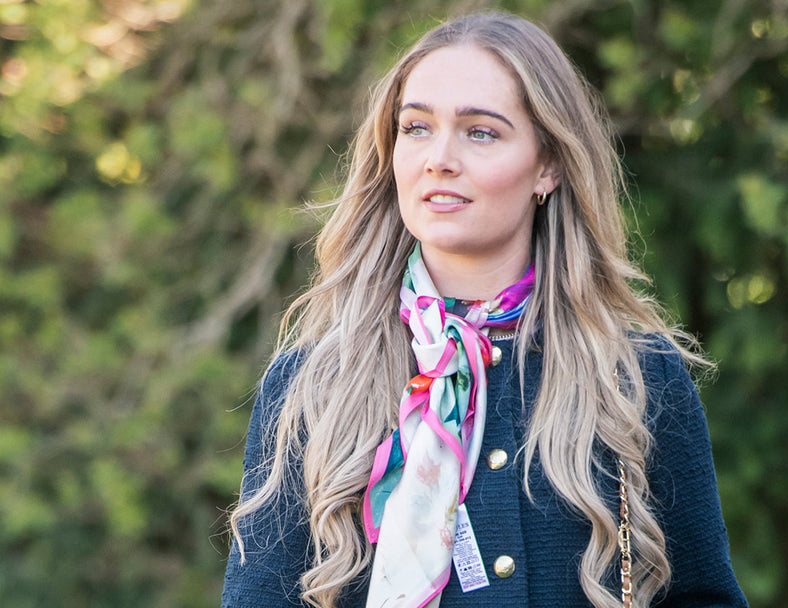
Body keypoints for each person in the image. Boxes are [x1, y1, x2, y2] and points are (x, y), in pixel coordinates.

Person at [222, 11, 747, 608]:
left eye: (480, 132)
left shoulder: (637, 377)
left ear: (547, 165)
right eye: (416, 127)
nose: (438, 158)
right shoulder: (310, 386)